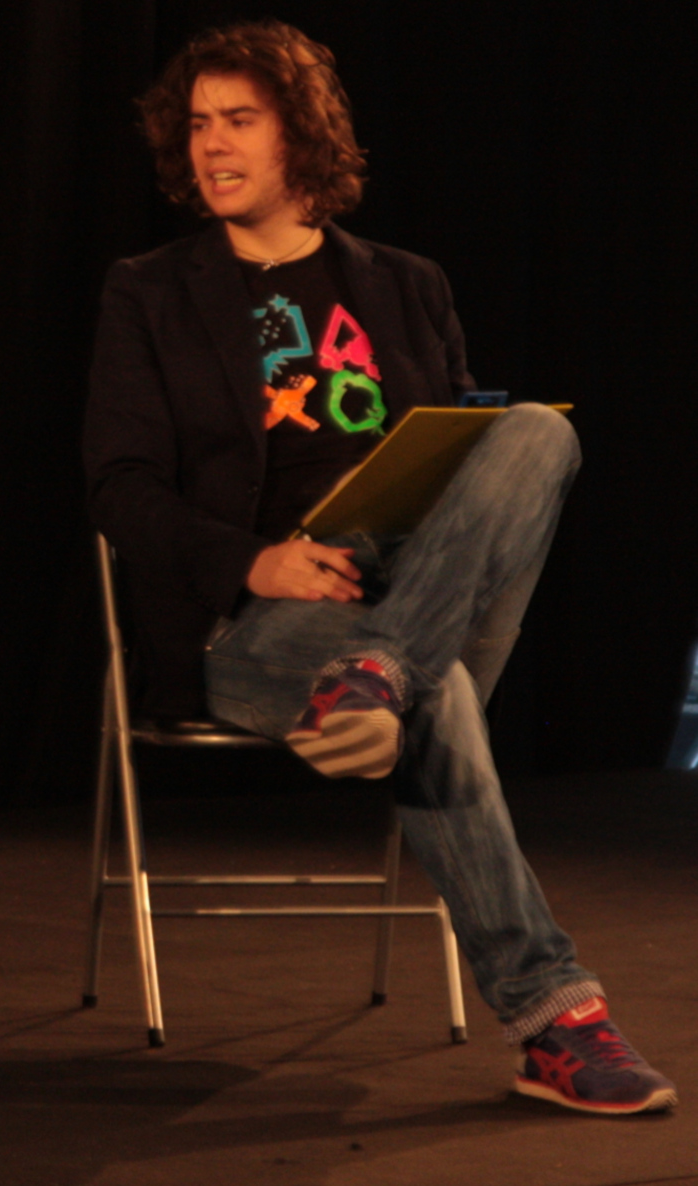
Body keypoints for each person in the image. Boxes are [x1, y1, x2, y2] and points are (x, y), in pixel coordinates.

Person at [84, 21, 676, 1115]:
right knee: (430, 692)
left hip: (413, 598)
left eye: (240, 121)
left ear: (300, 136)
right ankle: (557, 1021)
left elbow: (459, 468)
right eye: (199, 124)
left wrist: (413, 537)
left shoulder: (405, 284)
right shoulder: (151, 292)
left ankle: (380, 671)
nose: (212, 145)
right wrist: (257, 563)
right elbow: (118, 487)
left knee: (536, 431)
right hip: (253, 631)